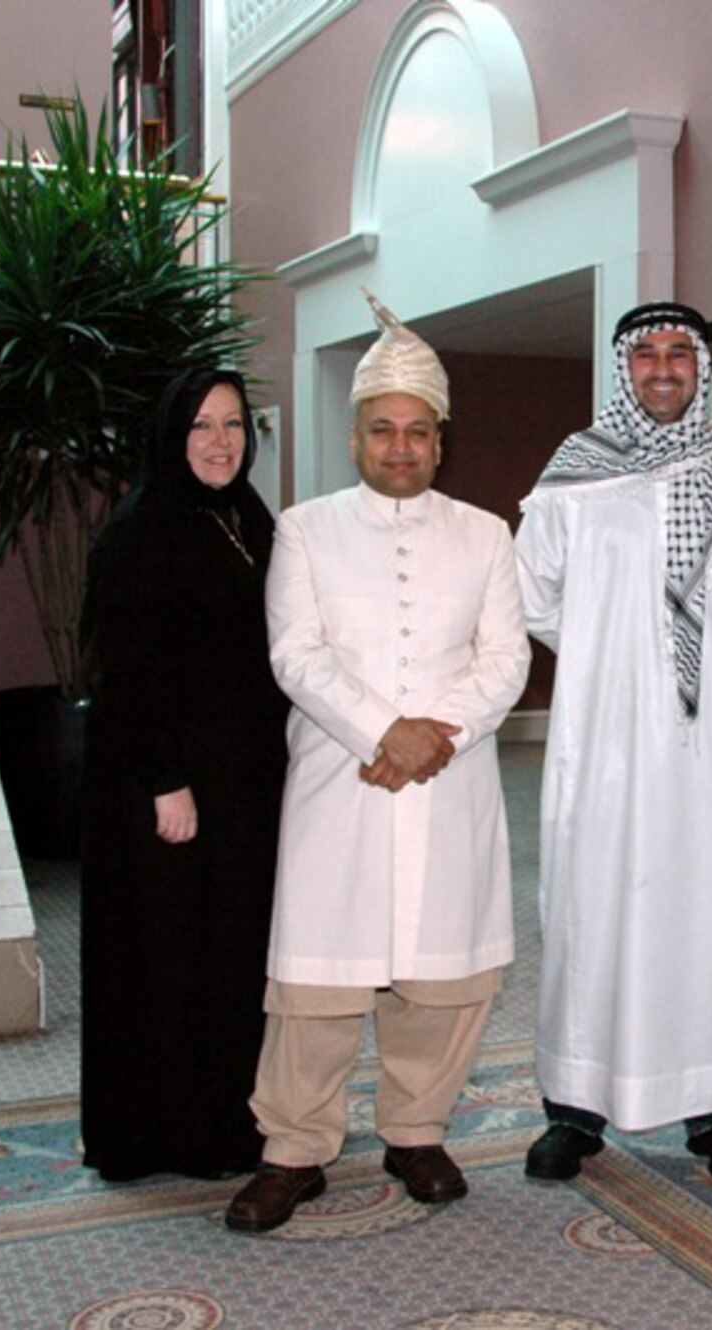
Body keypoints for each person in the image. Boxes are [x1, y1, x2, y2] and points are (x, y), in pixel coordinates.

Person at [225, 296, 530, 1233]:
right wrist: (382, 732)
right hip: (341, 781)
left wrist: (434, 733)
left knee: (441, 978)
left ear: (442, 441)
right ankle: (295, 1148)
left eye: (419, 432)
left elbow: (507, 658)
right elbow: (297, 655)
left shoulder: (486, 534)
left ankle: (416, 1128)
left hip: (449, 778)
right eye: (382, 430)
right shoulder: (304, 530)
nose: (401, 447)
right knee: (316, 982)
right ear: (354, 437)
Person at [514, 301, 712, 1182]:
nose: (665, 368)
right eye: (648, 355)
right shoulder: (574, 474)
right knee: (591, 908)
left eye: (682, 353)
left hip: (711, 750)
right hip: (601, 745)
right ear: (623, 369)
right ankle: (576, 1107)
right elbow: (534, 599)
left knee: (708, 910)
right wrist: (617, 659)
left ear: (701, 369)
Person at [79, 367, 290, 1182]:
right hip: (165, 788)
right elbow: (123, 671)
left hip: (241, 783)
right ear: (173, 435)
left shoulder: (248, 519)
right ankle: (159, 1133)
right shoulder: (141, 529)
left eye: (234, 425)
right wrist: (166, 782)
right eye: (202, 425)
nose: (219, 442)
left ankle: (225, 1120)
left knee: (228, 955)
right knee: (165, 957)